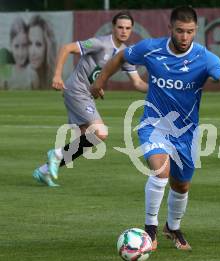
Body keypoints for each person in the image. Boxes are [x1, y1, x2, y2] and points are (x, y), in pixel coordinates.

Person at [91, 6, 220, 251]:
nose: (185, 37)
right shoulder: (151, 48)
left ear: (196, 31)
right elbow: (121, 57)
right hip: (154, 125)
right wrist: (100, 80)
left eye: (190, 32)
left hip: (187, 132)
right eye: (180, 31)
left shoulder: (203, 57)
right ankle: (149, 231)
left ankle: (172, 228)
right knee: (161, 171)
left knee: (181, 185)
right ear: (170, 28)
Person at [33, 11, 147, 187]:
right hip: (76, 90)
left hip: (87, 94)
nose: (124, 31)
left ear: (131, 30)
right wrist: (57, 76)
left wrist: (159, 88)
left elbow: (138, 82)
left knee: (88, 138)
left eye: (128, 28)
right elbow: (66, 48)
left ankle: (44, 171)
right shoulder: (99, 43)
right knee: (100, 132)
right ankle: (55, 155)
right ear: (113, 27)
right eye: (120, 27)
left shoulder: (125, 54)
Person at [3, 17, 38, 89]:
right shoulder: (5, 72)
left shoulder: (32, 74)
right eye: (16, 46)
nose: (20, 53)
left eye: (24, 45)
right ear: (10, 45)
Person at [27, 15, 57, 89]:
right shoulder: (27, 77)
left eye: (38, 44)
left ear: (48, 47)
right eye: (30, 43)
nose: (32, 52)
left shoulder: (56, 78)